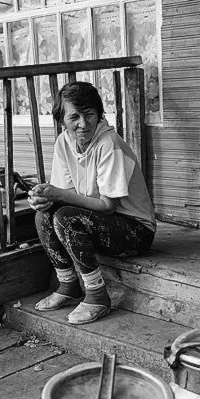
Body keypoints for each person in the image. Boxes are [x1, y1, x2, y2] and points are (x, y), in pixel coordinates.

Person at [28, 81, 156, 325]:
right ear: (61, 120)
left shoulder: (110, 144)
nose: (83, 124)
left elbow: (107, 205)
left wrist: (60, 196)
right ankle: (68, 284)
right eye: (74, 116)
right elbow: (65, 193)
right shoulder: (64, 144)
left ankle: (97, 295)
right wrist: (43, 197)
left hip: (135, 230)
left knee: (65, 217)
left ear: (99, 114)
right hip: (98, 221)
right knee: (44, 215)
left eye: (89, 115)